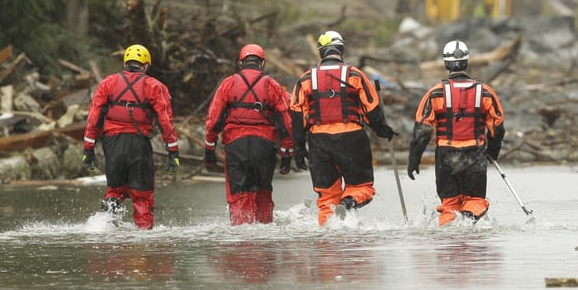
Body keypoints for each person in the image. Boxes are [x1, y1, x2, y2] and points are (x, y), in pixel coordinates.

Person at [290, 30, 398, 225]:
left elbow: (297, 115)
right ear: (341, 50)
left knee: (326, 199)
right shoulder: (356, 75)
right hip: (352, 139)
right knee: (362, 188)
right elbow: (372, 109)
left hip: (319, 142)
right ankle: (348, 203)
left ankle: (328, 243)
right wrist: (383, 130)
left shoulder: (305, 79)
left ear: (322, 52)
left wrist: (298, 149)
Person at [406, 40, 505, 225]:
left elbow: (422, 129)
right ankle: (468, 225)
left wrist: (414, 158)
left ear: (445, 64)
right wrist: (492, 153)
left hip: (445, 155)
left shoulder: (435, 93)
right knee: (474, 201)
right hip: (475, 153)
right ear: (466, 63)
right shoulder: (485, 92)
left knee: (449, 205)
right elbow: (497, 127)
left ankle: (448, 240)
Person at [82, 44, 179, 229]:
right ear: (146, 66)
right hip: (139, 144)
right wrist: (173, 152)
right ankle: (143, 242)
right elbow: (166, 121)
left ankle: (103, 230)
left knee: (114, 191)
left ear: (125, 63)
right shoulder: (155, 86)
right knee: (142, 194)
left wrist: (88, 149)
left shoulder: (107, 83)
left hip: (112, 144)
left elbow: (93, 118)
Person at [204, 43, 295, 225]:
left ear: (240, 63)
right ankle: (263, 231)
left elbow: (213, 120)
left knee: (239, 193)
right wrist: (287, 154)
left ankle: (241, 236)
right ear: (262, 63)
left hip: (235, 145)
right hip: (264, 146)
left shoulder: (228, 84)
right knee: (263, 192)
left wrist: (209, 148)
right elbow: (287, 121)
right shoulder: (273, 85)